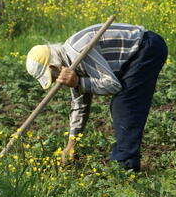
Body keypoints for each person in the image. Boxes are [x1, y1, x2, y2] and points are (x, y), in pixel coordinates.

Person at [25, 22, 168, 171]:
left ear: (54, 67)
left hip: (147, 47)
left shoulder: (78, 52)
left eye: (52, 77)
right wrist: (72, 143)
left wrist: (78, 82)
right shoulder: (70, 64)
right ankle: (125, 162)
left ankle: (126, 167)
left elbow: (112, 85)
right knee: (122, 103)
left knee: (124, 104)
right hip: (137, 53)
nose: (55, 81)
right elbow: (80, 105)